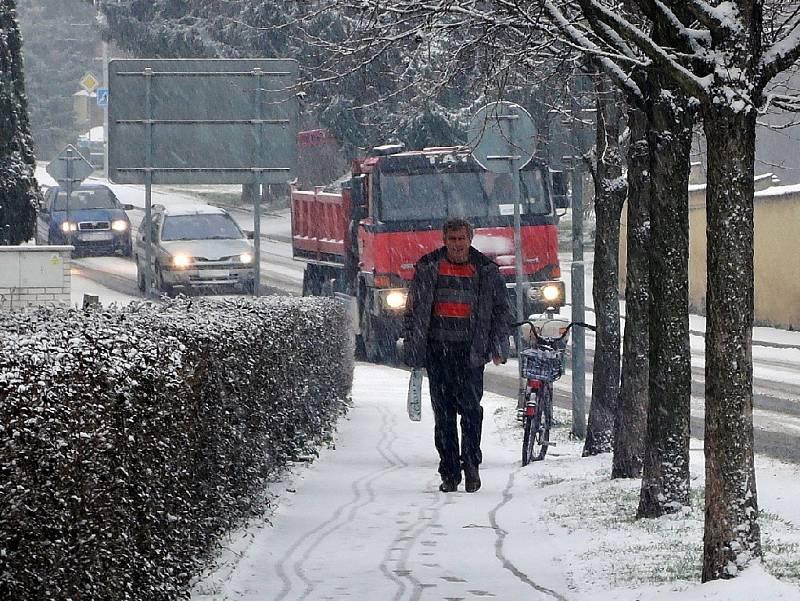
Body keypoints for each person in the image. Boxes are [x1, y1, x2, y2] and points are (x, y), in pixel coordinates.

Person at [402, 218, 512, 493]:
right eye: (452, 239)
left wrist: (499, 346)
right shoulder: (428, 267)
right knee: (444, 414)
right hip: (438, 351)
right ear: (444, 240)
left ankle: (471, 463)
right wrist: (412, 347)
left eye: (462, 239)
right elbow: (413, 310)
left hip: (471, 352)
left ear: (470, 239)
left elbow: (500, 311)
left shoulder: (485, 270)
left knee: (472, 411)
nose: (457, 244)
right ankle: (450, 471)